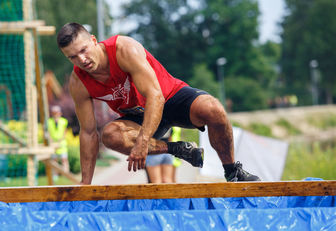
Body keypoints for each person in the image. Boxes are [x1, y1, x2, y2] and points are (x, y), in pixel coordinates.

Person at [56, 22, 260, 185]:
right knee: (110, 135)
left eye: (83, 50)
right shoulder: (78, 82)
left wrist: (143, 142)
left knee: (213, 109)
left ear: (93, 40)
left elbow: (156, 96)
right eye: (72, 57)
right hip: (136, 114)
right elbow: (89, 132)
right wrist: (85, 183)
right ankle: (177, 149)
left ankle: (232, 170)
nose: (82, 60)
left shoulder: (123, 49)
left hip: (168, 96)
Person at [47, 105, 69, 179]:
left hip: (62, 143)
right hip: (53, 143)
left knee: (64, 159)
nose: (55, 114)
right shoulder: (49, 122)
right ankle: (55, 175)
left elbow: (65, 132)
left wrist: (60, 140)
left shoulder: (64, 121)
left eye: (57, 112)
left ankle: (66, 174)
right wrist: (51, 140)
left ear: (60, 113)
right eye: (54, 112)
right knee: (54, 161)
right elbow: (48, 132)